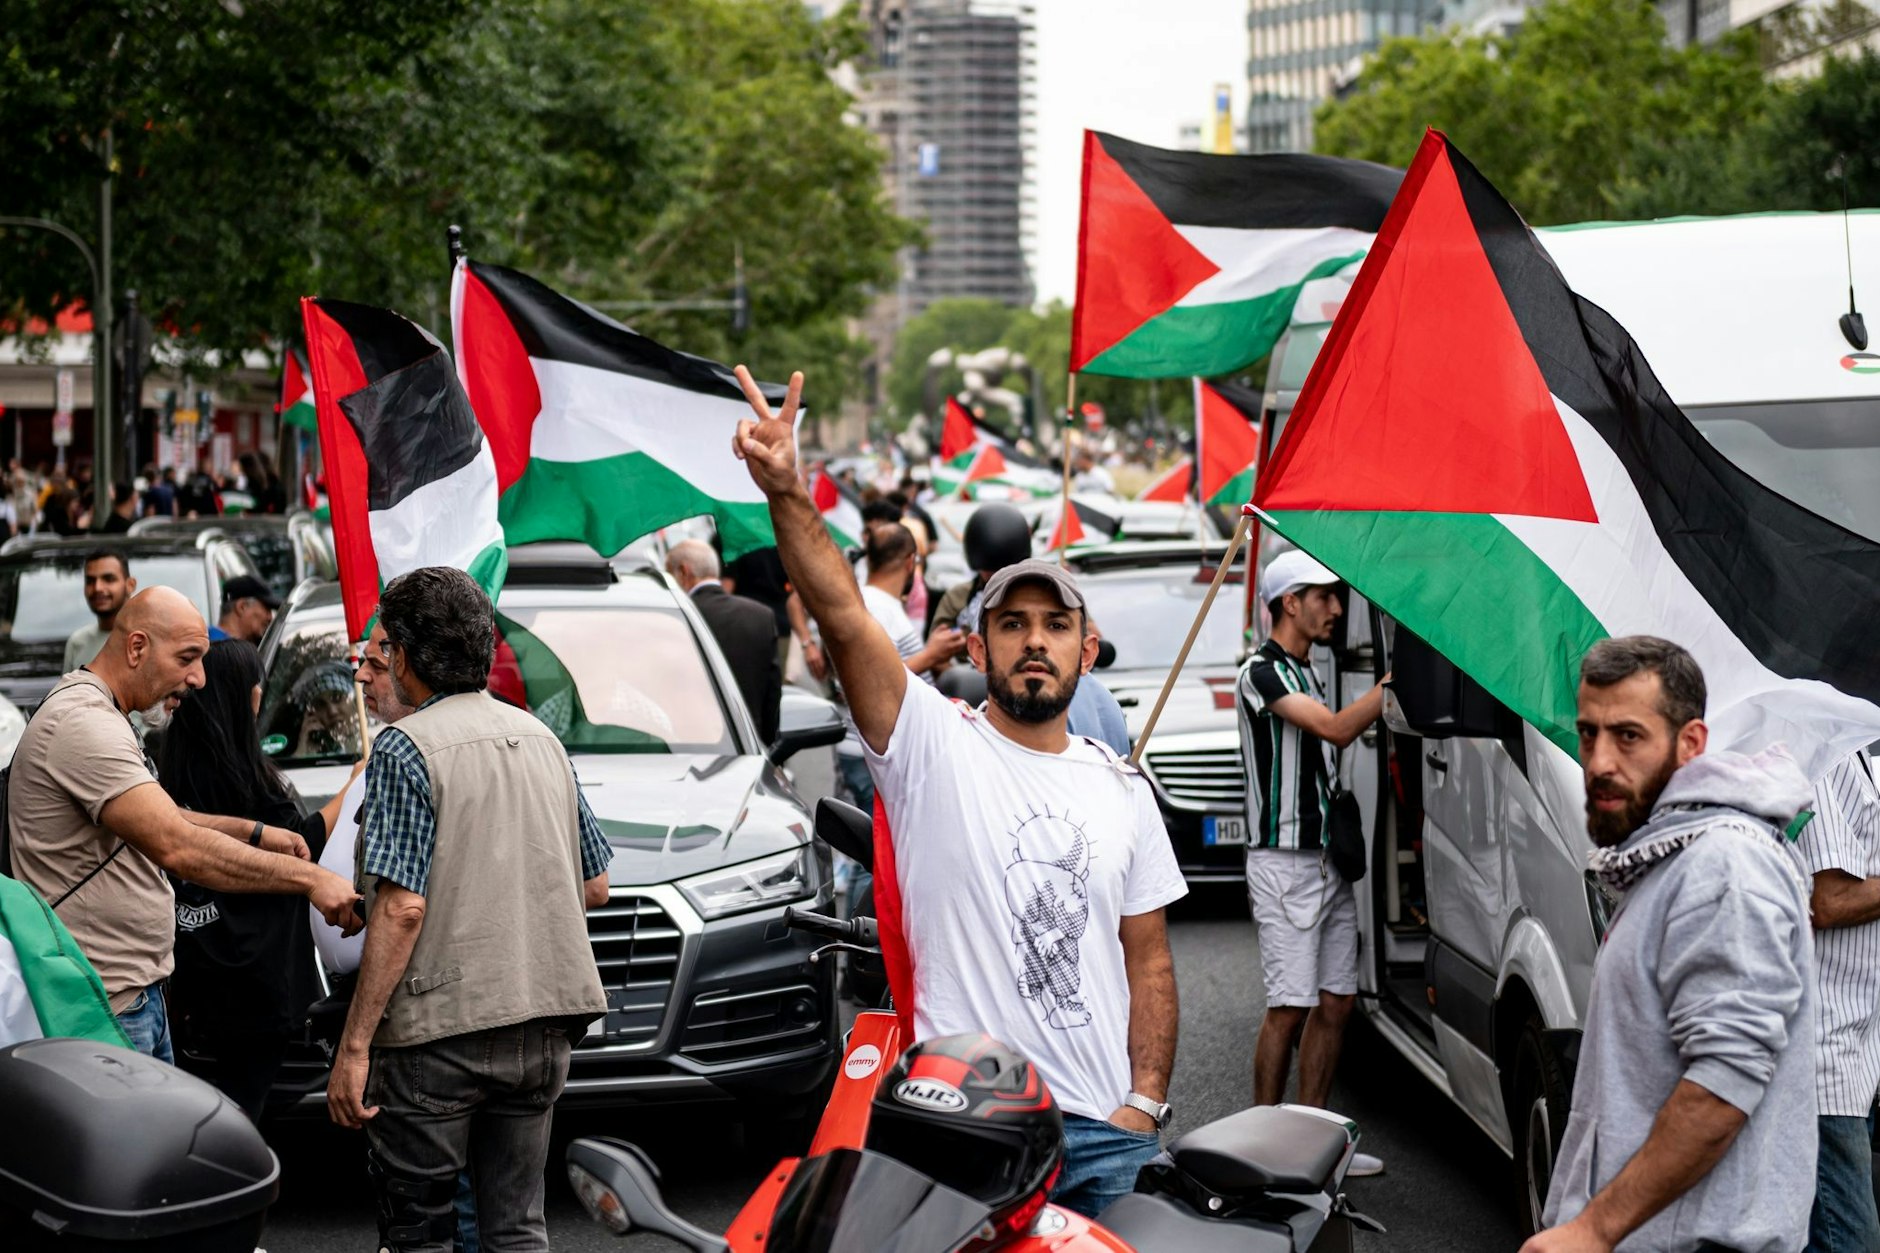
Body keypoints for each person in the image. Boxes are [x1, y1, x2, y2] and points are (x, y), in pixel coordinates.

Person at [732, 366, 1187, 1220]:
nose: (1036, 642)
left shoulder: (1124, 789)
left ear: (1088, 652)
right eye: (1013, 624)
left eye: (1057, 625)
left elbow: (1150, 958)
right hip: (961, 1125)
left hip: (1106, 1138)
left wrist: (1145, 1103)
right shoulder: (931, 743)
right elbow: (841, 610)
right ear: (976, 648)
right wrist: (790, 491)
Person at [325, 567, 610, 1253]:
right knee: (516, 1227)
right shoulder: (539, 737)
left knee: (421, 1235)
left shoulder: (403, 745)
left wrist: (355, 1043)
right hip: (542, 1025)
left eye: (387, 646)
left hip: (436, 1035)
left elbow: (400, 909)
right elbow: (594, 883)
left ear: (405, 656)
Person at [1527, 636, 1815, 1253]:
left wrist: (1594, 1229)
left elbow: (1723, 1083)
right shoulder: (1678, 855)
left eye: (1628, 736)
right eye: (1588, 734)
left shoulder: (1724, 868)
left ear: (1691, 743)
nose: (1599, 761)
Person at [6, 587, 361, 1059]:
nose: (198, 679)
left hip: (132, 998)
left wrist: (254, 832)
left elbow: (166, 817)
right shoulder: (82, 723)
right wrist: (311, 878)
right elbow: (178, 846)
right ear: (137, 648)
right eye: (187, 658)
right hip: (101, 1007)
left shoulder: (106, 712)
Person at [1237, 550, 1387, 1175]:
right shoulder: (1263, 671)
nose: (1335, 607)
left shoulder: (1306, 668)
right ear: (1289, 602)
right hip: (1284, 862)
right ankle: (1258, 1144)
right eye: (1323, 597)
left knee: (1335, 1003)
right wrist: (1394, 685)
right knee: (1290, 1007)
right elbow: (1331, 730)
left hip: (1323, 861)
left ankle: (1318, 1142)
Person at [159, 640, 354, 1119]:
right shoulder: (246, 776)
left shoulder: (168, 765)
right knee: (239, 1113)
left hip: (192, 972)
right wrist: (350, 791)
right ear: (247, 695)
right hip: (255, 986)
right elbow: (297, 844)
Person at [1793, 750, 1880, 1253]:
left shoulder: (1860, 750)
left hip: (1855, 1051)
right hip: (1822, 1058)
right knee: (1850, 1241)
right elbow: (1829, 900)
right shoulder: (1820, 752)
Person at [833, 522, 963, 814]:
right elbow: (864, 682)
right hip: (874, 756)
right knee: (871, 854)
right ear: (910, 562)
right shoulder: (874, 607)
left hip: (877, 753)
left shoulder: (876, 604)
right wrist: (930, 655)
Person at [666, 539, 782, 744]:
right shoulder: (761, 616)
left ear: (684, 572)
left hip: (685, 745)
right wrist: (769, 749)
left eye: (669, 576)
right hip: (748, 745)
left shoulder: (674, 618)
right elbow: (771, 696)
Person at [721, 544, 796, 673]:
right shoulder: (780, 543)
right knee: (774, 681)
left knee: (744, 678)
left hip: (745, 623)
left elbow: (727, 586)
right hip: (779, 625)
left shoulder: (737, 541)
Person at [64, 548, 136, 673]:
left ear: (130, 585)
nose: (98, 588)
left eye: (108, 579)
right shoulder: (77, 642)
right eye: (90, 581)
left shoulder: (147, 640)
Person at [209, 574, 279, 644]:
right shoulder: (213, 649)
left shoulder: (205, 643)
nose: (270, 617)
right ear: (242, 607)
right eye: (267, 608)